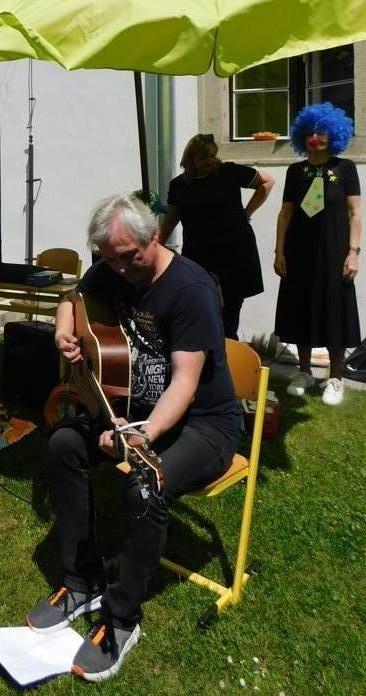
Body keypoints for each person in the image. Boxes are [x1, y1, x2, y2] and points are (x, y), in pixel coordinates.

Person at [27, 194, 241, 683]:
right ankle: (81, 581)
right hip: (132, 411)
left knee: (146, 485)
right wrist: (63, 331)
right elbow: (72, 299)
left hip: (204, 424)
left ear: (156, 237)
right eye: (110, 259)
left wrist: (142, 435)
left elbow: (185, 382)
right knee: (63, 444)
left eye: (129, 257)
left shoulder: (191, 289)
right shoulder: (111, 267)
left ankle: (122, 617)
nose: (120, 269)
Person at [274, 102, 361, 406]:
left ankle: (335, 378)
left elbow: (355, 213)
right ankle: (304, 372)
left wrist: (353, 252)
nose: (316, 138)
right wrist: (279, 251)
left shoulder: (345, 168)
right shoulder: (295, 171)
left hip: (335, 252)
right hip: (300, 252)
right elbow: (285, 213)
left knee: (334, 309)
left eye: (322, 132)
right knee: (302, 308)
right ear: (303, 136)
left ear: (334, 134)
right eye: (310, 132)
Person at [160, 133, 274, 340]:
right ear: (191, 159)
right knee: (202, 303)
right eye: (204, 157)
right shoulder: (179, 185)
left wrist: (247, 212)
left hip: (235, 253)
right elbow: (171, 219)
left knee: (230, 308)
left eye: (212, 156)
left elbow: (266, 182)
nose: (210, 161)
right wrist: (157, 244)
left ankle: (228, 349)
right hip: (200, 255)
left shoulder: (229, 172)